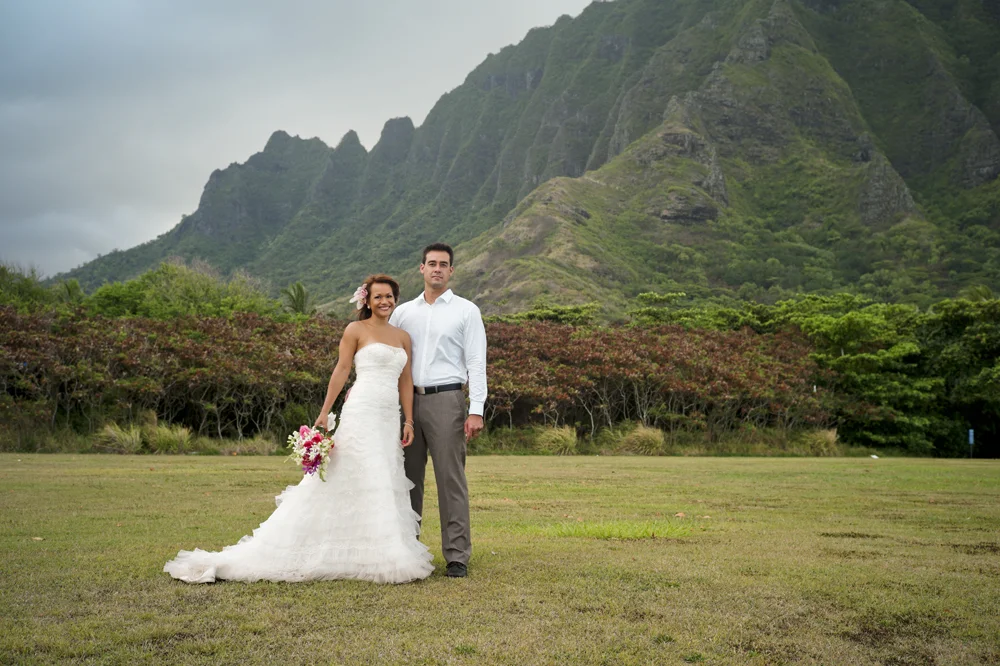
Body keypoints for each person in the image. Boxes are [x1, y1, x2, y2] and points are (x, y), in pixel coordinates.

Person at [163, 274, 433, 584]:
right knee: (350, 473)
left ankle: (381, 551)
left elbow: (406, 381)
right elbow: (342, 370)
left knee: (383, 475)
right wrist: (324, 411)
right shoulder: (355, 330)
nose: (384, 301)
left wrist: (408, 420)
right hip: (361, 410)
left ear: (395, 299)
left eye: (389, 296)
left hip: (388, 415)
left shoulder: (402, 337)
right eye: (378, 296)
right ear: (367, 301)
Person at [389, 243, 487, 578]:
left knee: (450, 479)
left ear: (451, 271)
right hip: (408, 402)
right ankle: (408, 549)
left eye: (444, 264)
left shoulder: (466, 311)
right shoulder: (403, 313)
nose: (437, 269)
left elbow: (476, 362)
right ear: (421, 268)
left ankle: (457, 555)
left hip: (447, 400)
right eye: (432, 263)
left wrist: (476, 409)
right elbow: (392, 358)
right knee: (407, 478)